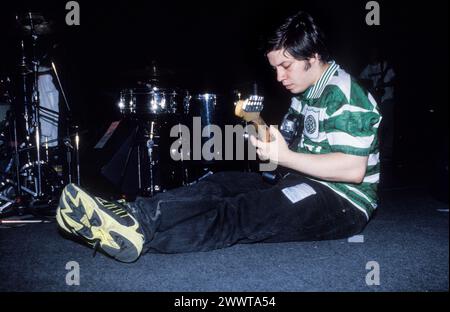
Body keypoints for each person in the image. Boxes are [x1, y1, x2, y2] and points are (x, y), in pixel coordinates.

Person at [56, 11, 381, 262]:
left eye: (286, 66)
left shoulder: (344, 93)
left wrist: (285, 157)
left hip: (344, 202)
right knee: (219, 183)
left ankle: (138, 239)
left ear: (313, 57)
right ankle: (135, 217)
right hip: (303, 180)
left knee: (244, 213)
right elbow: (290, 151)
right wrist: (267, 141)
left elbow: (352, 170)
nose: (279, 77)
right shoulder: (304, 94)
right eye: (275, 69)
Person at [359, 48, 395, 161]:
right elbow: (361, 80)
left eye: (374, 54)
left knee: (388, 125)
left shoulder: (385, 66)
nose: (372, 57)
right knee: (377, 125)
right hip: (375, 101)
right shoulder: (368, 68)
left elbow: (395, 80)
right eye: (370, 55)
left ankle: (388, 151)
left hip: (387, 99)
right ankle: (378, 150)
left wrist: (383, 85)